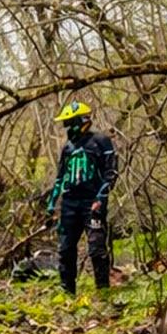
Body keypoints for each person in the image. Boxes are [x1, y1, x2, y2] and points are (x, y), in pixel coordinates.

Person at [42, 101, 118, 294]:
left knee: (96, 249)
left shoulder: (101, 141)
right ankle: (68, 293)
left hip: (92, 202)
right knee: (66, 249)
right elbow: (60, 177)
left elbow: (111, 173)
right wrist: (51, 204)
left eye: (69, 122)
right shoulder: (67, 147)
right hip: (69, 204)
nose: (66, 127)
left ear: (80, 120)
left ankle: (103, 292)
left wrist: (100, 199)